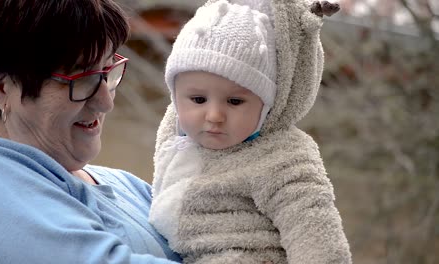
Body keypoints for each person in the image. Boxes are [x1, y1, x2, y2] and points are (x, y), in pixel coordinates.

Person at [0, 0, 182, 263]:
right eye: (81, 78)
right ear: (0, 87)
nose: (106, 102)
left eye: (107, 72)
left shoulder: (127, 185)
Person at [149, 0, 352, 263]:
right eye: (198, 100)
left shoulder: (283, 158)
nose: (214, 116)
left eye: (235, 102)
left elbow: (313, 228)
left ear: (268, 105)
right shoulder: (176, 127)